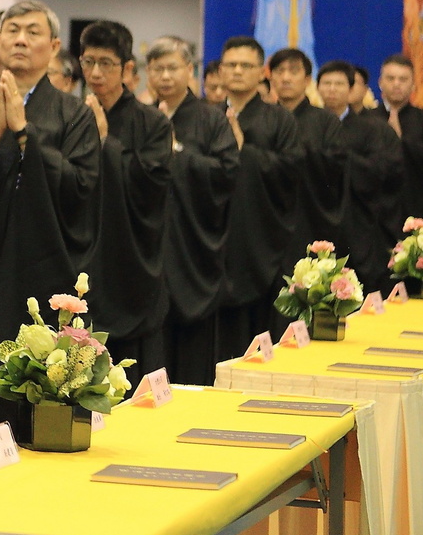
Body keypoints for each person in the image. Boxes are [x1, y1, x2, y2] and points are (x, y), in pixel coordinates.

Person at [0, 0, 99, 430]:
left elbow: (83, 185)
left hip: (36, 258)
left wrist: (26, 134)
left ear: (53, 45)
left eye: (33, 32)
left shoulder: (74, 113)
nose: (20, 39)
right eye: (12, 30)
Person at [78, 21, 172, 384]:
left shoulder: (152, 123)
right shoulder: (74, 116)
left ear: (128, 69)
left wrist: (107, 144)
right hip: (83, 249)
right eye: (88, 62)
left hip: (129, 257)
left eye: (106, 63)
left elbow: (153, 185)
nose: (96, 73)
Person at [147, 36, 239, 385]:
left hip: (192, 243)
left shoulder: (210, 118)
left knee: (190, 353)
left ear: (189, 70)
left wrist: (179, 154)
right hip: (151, 244)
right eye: (157, 69)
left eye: (173, 68)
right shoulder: (145, 115)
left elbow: (227, 173)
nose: (165, 76)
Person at [215, 36, 302, 360]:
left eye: (246, 65)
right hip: (214, 237)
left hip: (259, 236)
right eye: (231, 65)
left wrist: (245, 153)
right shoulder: (209, 115)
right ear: (221, 70)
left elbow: (291, 170)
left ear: (261, 72)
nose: (237, 71)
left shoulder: (280, 119)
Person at [318, 61, 403, 291]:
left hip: (356, 222)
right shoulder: (310, 124)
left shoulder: (373, 129)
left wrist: (342, 157)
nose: (332, 89)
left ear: (352, 89)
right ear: (316, 87)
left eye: (339, 84)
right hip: (314, 219)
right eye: (327, 83)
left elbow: (381, 172)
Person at [269, 47, 345, 272]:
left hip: (309, 217)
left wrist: (296, 154)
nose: (285, 77)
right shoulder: (263, 118)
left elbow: (336, 169)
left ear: (307, 79)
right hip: (267, 221)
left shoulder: (325, 121)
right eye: (279, 71)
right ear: (270, 76)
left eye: (293, 71)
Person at [377, 54, 423, 225]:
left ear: (413, 85)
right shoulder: (367, 119)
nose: (396, 84)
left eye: (403, 79)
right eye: (391, 78)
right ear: (380, 83)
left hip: (416, 211)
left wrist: (403, 140)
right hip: (375, 215)